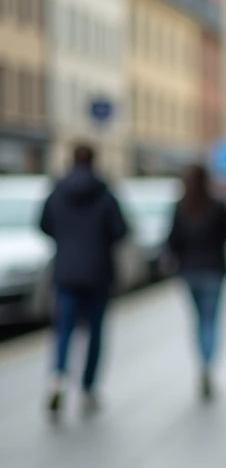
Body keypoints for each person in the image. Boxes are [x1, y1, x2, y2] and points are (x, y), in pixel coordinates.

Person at [38, 143, 129, 416]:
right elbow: (120, 230)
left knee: (63, 328)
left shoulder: (57, 191)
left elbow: (43, 224)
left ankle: (58, 378)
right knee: (95, 332)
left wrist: (66, 241)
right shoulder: (105, 193)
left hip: (66, 271)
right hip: (98, 272)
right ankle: (88, 387)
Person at [165, 164, 226, 401]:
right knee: (211, 321)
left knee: (198, 320)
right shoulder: (217, 205)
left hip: (189, 271)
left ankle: (202, 364)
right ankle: (207, 366)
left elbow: (173, 240)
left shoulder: (181, 207)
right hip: (213, 270)